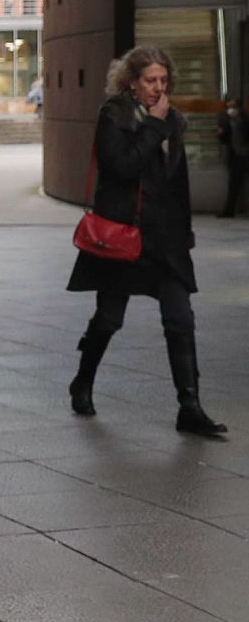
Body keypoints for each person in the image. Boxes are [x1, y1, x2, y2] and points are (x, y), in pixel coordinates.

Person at [66, 45, 227, 438]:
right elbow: (121, 167)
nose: (158, 88)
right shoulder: (114, 116)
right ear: (133, 83)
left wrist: (185, 234)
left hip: (166, 240)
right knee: (109, 318)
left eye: (163, 81)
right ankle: (82, 381)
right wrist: (154, 126)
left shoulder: (172, 120)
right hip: (124, 237)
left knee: (181, 318)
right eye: (150, 81)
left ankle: (189, 405)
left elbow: (179, 183)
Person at [218, 96, 245, 217]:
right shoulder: (226, 121)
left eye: (234, 106)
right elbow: (224, 140)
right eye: (229, 107)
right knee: (233, 184)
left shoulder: (245, 120)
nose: (231, 109)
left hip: (245, 154)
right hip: (235, 156)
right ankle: (229, 211)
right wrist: (220, 134)